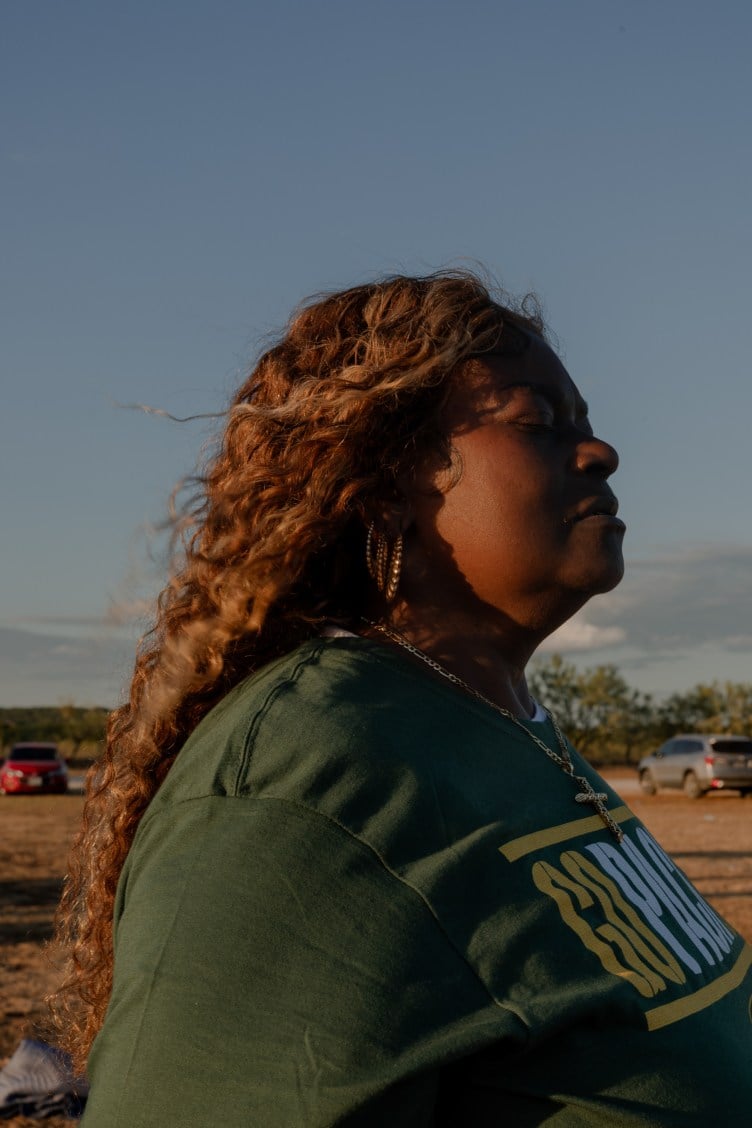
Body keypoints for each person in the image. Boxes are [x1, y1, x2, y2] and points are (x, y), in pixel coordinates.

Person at [53, 271, 751, 1125]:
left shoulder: (506, 727)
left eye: (589, 423)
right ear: (386, 485)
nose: (601, 452)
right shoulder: (311, 773)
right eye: (536, 421)